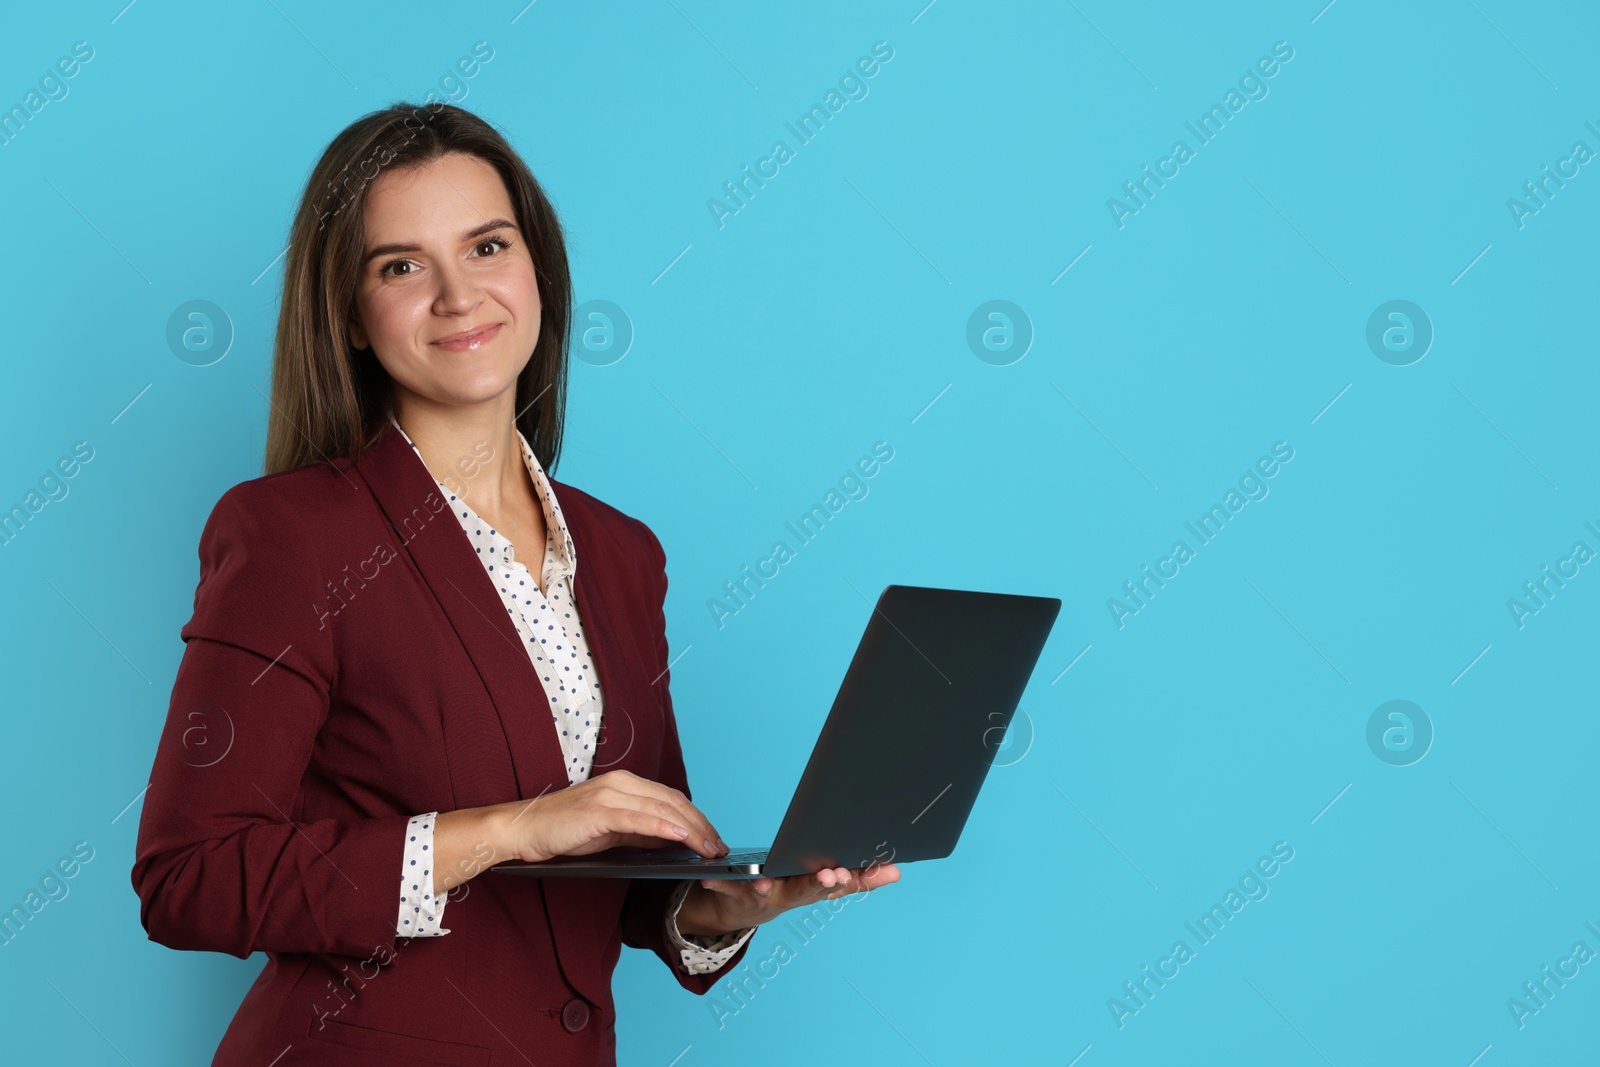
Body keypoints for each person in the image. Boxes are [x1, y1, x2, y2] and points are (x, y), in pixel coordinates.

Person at [130, 101, 900, 1066]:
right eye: (401, 265)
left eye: (487, 245)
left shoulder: (621, 553)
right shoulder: (292, 534)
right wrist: (513, 828)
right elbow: (190, 877)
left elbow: (627, 869)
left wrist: (727, 900)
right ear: (353, 318)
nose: (459, 295)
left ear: (537, 268)